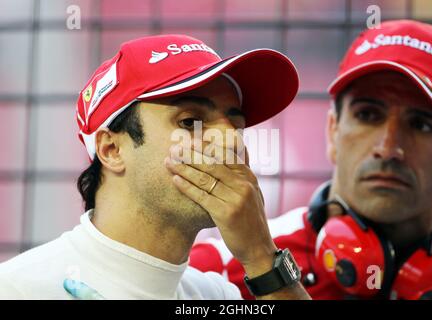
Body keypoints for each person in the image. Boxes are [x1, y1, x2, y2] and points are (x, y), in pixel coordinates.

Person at [0, 34, 311, 300]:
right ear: (111, 149)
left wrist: (261, 257)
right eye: (190, 122)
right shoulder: (20, 289)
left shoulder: (217, 295)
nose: (231, 142)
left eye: (237, 126)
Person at [190, 20, 432, 300]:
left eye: (421, 125)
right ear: (332, 130)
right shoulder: (220, 271)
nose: (388, 148)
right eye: (368, 115)